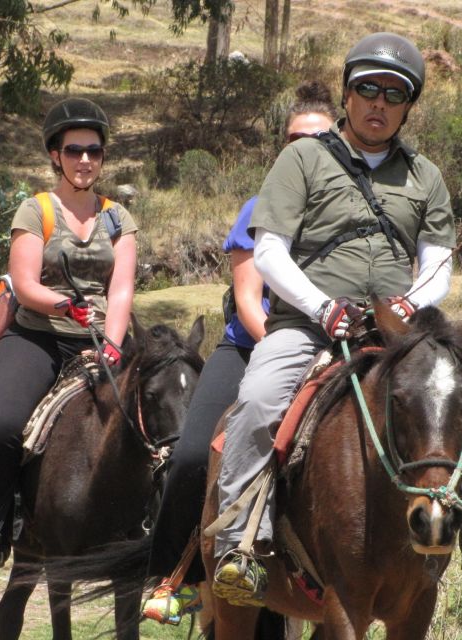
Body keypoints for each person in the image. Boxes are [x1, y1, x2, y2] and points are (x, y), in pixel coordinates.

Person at [211, 32, 462, 621]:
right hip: (307, 322)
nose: (378, 102)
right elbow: (270, 251)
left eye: (393, 94)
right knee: (258, 399)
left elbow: (439, 263)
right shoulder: (301, 158)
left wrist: (405, 307)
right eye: (367, 89)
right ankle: (240, 547)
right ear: (347, 95)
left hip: (395, 330)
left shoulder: (425, 177)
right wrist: (323, 307)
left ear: (406, 107)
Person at [140, 82, 339, 625]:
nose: (307, 150)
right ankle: (175, 577)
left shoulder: (350, 212)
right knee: (188, 457)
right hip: (253, 347)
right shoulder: (258, 206)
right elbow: (251, 301)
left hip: (335, 348)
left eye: (320, 140)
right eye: (296, 139)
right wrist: (289, 346)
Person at [0, 97, 138, 574]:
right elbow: (24, 283)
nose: (85, 160)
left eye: (94, 151)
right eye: (74, 149)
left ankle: (151, 535)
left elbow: (121, 288)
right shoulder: (36, 209)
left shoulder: (118, 218)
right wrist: (65, 305)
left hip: (101, 339)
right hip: (39, 335)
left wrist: (113, 343)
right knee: (2, 427)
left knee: (157, 422)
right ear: (55, 155)